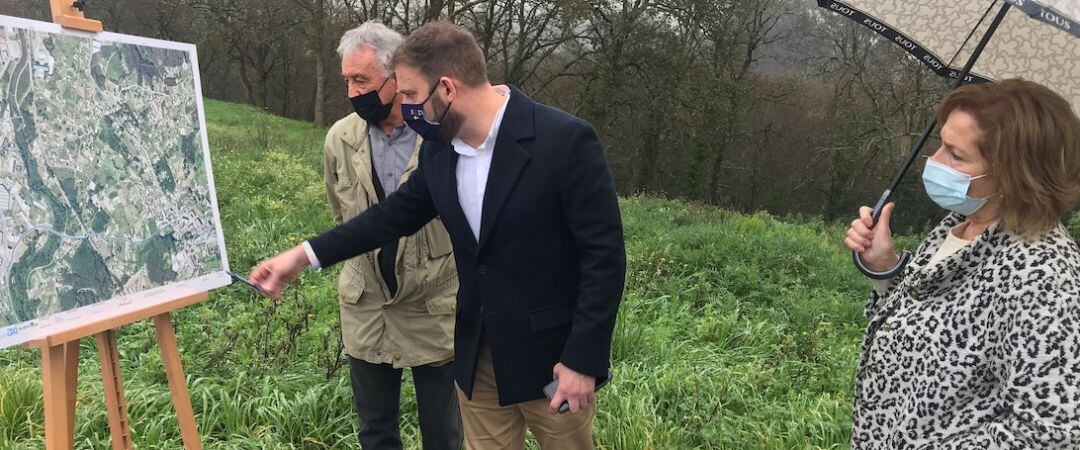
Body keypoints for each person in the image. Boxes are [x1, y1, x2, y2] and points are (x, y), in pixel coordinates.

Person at [251, 21, 626, 450]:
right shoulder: (439, 149)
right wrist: (302, 255)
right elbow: (391, 217)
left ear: (447, 89)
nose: (406, 107)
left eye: (410, 94)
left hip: (552, 362)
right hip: (477, 361)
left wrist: (583, 360)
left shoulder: (564, 141)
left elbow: (604, 257)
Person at [844, 79, 1080, 449]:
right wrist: (885, 269)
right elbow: (933, 322)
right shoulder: (961, 225)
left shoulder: (1042, 277)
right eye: (941, 144)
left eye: (956, 155)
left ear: (1014, 175)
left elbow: (1049, 435)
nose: (934, 162)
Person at [322, 22, 460, 450]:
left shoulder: (440, 137)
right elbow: (341, 214)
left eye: (361, 80)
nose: (351, 92)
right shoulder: (339, 139)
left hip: (434, 306)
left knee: (444, 434)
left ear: (396, 78)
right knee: (375, 433)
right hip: (366, 306)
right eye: (346, 79)